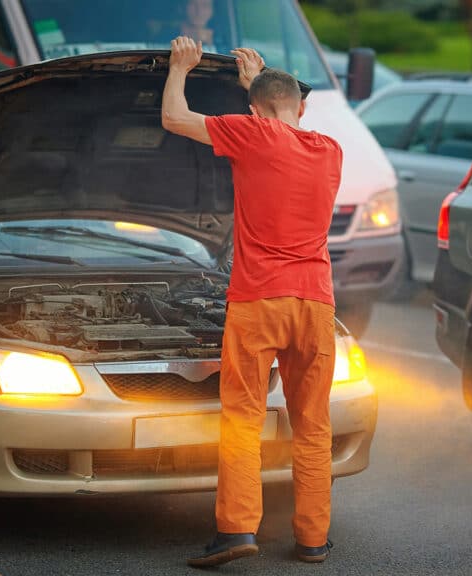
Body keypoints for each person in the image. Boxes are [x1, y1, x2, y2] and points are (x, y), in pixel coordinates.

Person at [161, 37, 343, 567]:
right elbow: (279, 118)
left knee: (243, 418)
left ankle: (238, 529)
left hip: (259, 300)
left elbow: (175, 117)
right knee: (313, 425)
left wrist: (180, 67)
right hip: (316, 303)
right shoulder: (330, 150)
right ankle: (312, 538)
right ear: (302, 109)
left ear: (251, 111)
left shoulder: (250, 134)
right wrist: (255, 85)